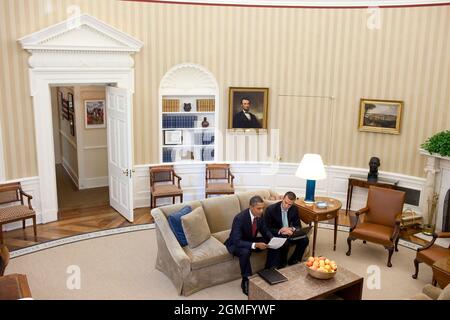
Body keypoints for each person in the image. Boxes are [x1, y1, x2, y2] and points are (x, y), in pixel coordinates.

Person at [224, 195, 279, 295]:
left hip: (250, 239)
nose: (262, 211)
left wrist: (272, 239)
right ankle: (245, 280)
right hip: (236, 244)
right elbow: (237, 241)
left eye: (263, 208)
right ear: (251, 207)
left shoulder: (259, 216)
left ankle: (269, 270)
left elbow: (265, 230)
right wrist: (255, 245)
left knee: (272, 243)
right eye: (259, 208)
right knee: (245, 252)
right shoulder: (239, 218)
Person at [264, 191, 309, 268]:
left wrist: (292, 229)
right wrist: (280, 230)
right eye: (285, 203)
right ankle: (282, 264)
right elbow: (266, 228)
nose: (287, 206)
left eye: (289, 204)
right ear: (283, 199)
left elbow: (298, 225)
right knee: (285, 242)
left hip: (290, 233)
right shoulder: (271, 209)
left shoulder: (294, 209)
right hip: (278, 234)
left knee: (305, 239)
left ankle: (294, 260)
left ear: (293, 203)